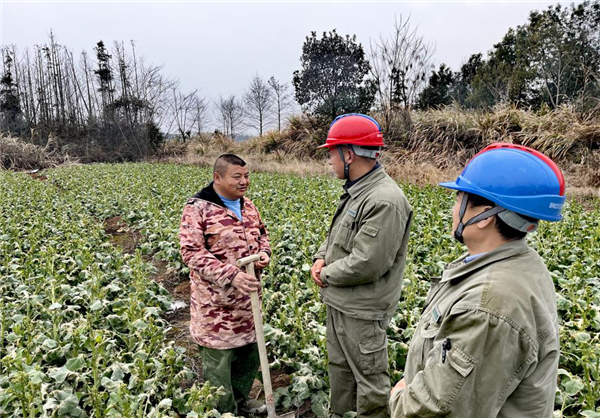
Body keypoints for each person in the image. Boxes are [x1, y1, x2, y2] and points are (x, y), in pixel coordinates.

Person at [389, 143, 566, 417]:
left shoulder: (488, 306)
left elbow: (440, 409)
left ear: (485, 216)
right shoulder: (522, 263)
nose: (454, 207)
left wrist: (400, 396)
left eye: (459, 198)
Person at [310, 114, 413, 418]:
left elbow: (368, 262)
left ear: (349, 154)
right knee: (340, 370)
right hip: (342, 301)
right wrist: (320, 257)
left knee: (369, 382)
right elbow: (337, 237)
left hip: (363, 309)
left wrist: (325, 273)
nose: (330, 160)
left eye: (332, 152)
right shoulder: (359, 190)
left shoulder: (384, 199)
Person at [179, 154, 271, 416]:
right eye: (237, 177)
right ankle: (224, 411)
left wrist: (265, 253)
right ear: (217, 177)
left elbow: (262, 235)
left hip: (249, 303)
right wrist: (231, 275)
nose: (244, 182)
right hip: (216, 306)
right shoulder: (198, 208)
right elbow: (191, 252)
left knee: (248, 357)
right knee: (220, 364)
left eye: (247, 175)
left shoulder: (248, 205)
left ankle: (241, 402)